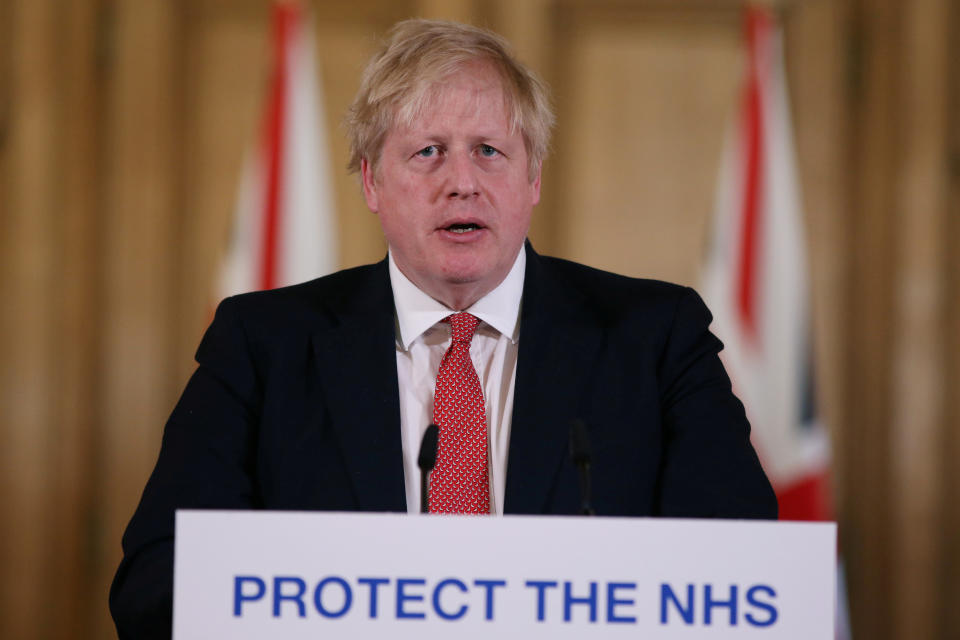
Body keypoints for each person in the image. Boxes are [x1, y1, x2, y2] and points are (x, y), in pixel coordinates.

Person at [109, 18, 776, 639]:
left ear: (533, 176)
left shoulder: (656, 340)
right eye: (427, 152)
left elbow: (744, 574)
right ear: (371, 181)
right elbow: (157, 584)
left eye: (489, 150)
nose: (462, 181)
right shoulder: (263, 346)